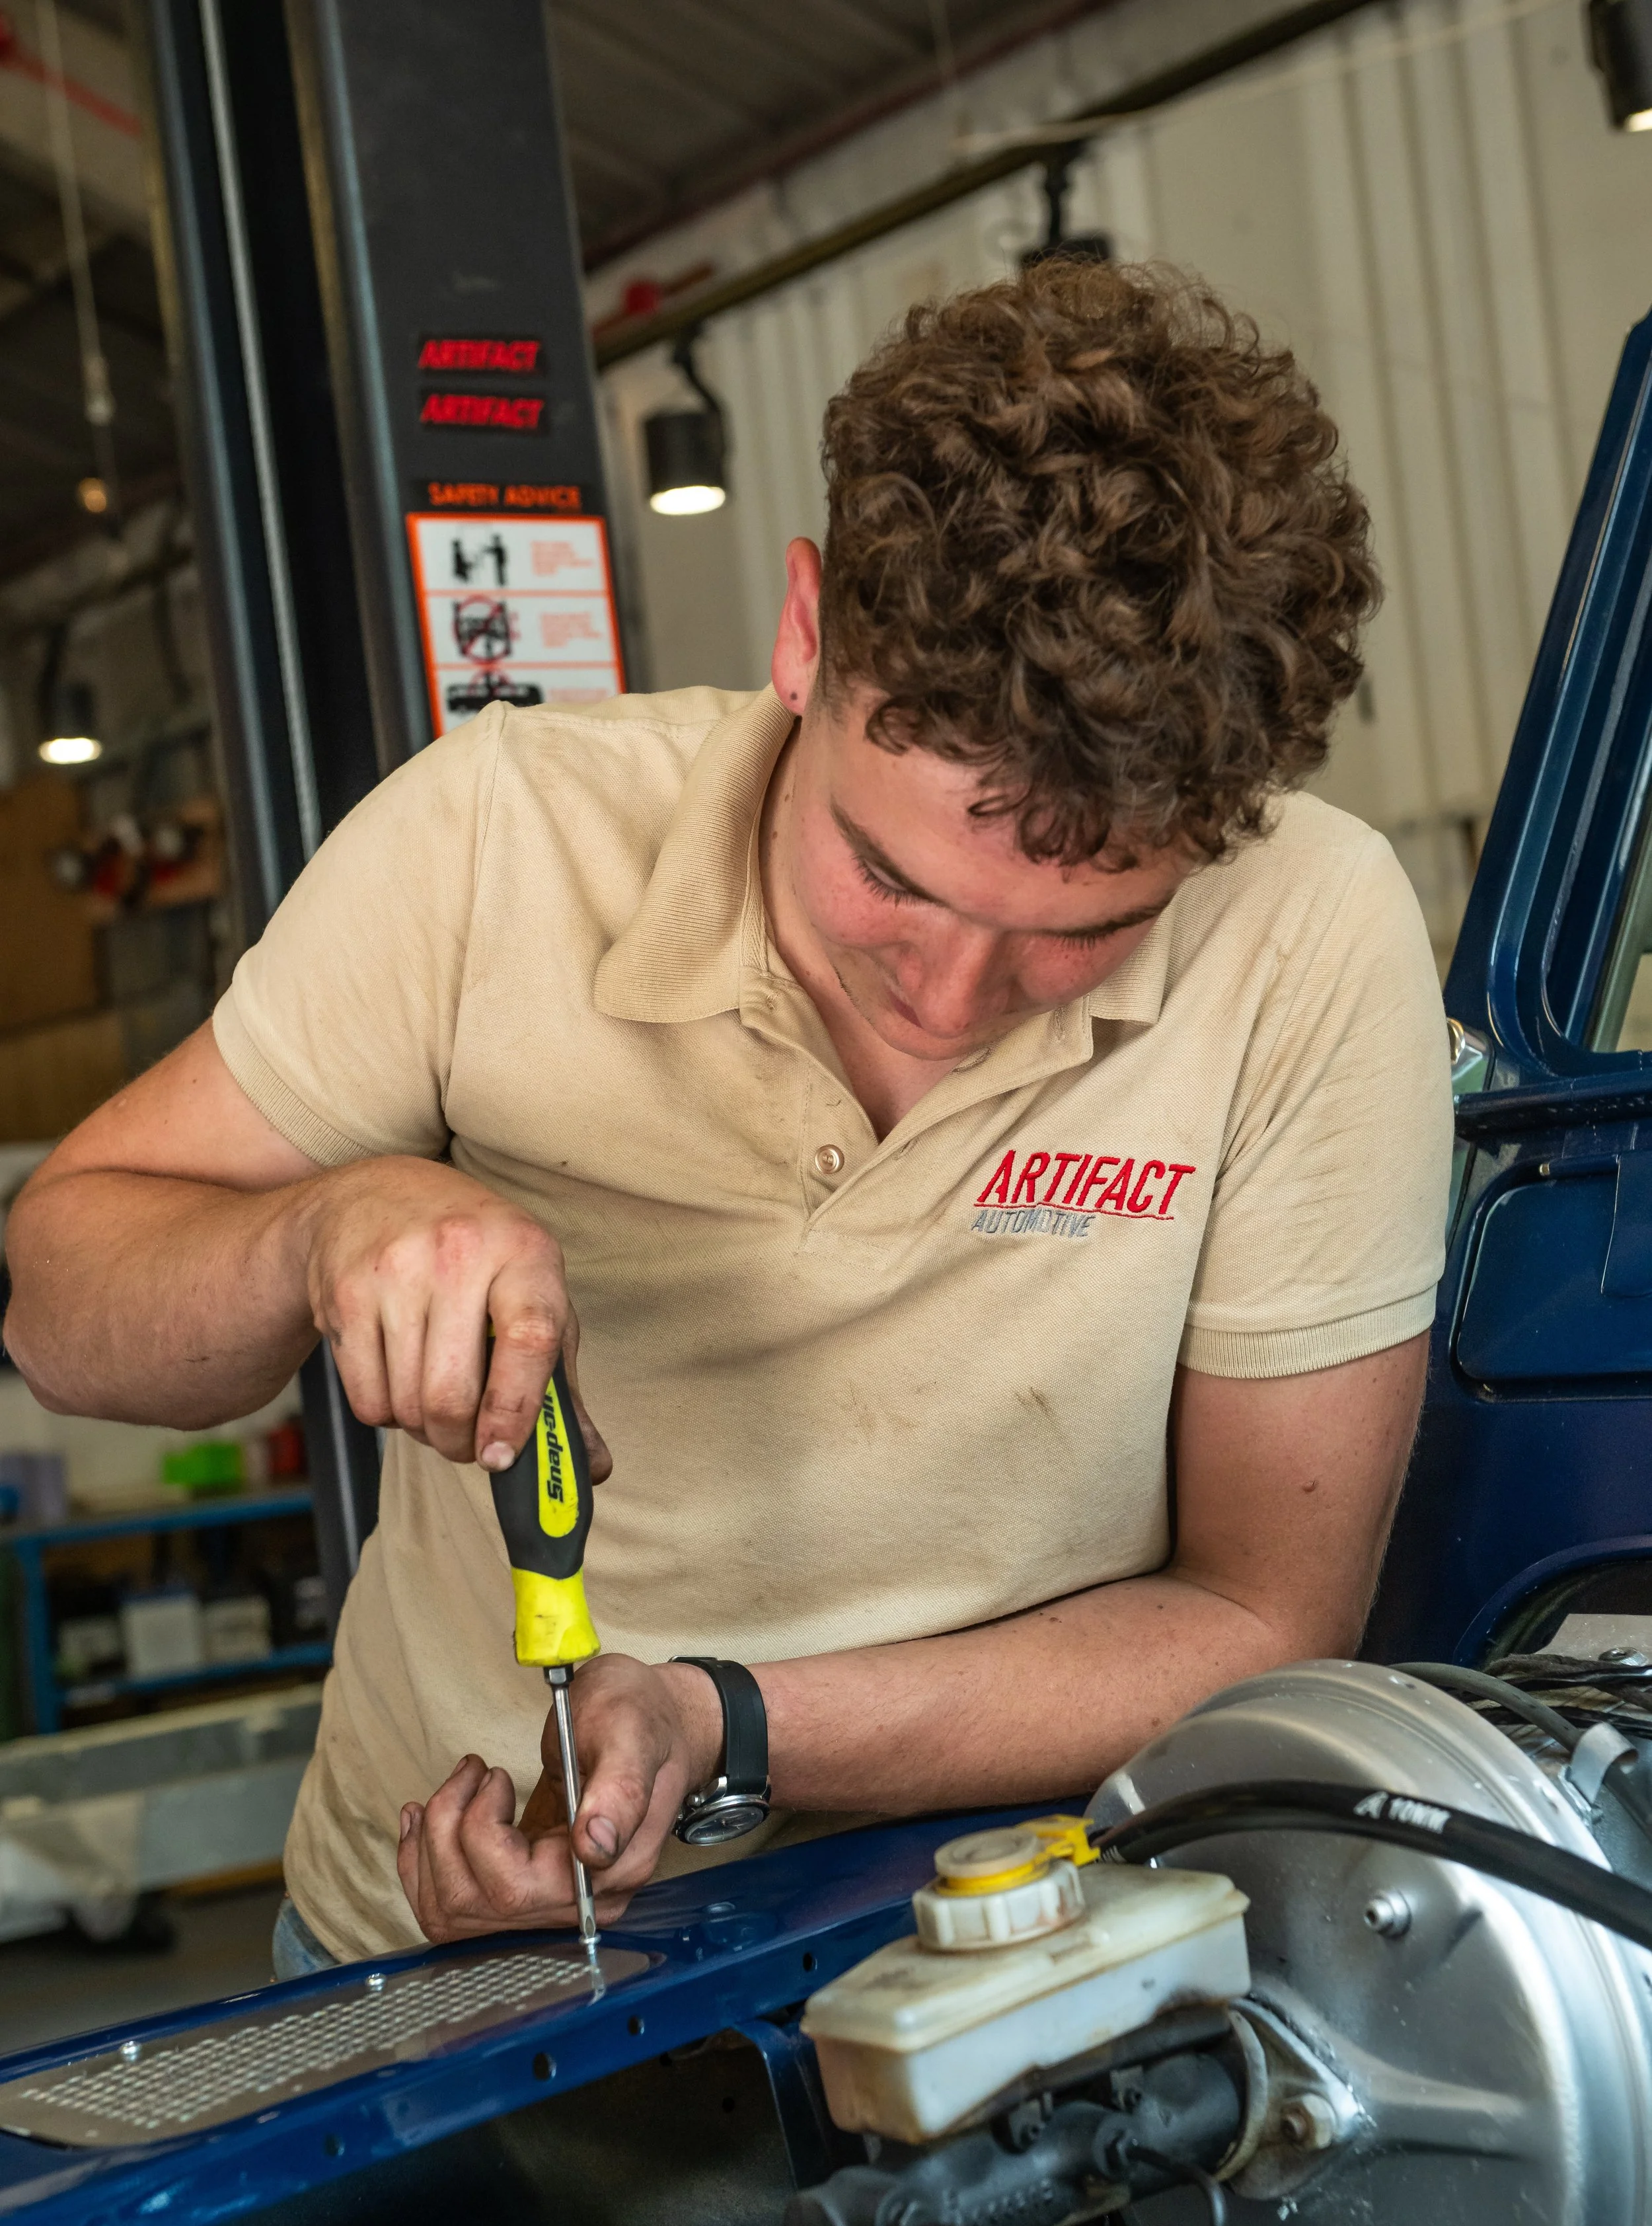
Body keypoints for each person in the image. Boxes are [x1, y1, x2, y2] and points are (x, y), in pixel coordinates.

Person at [3, 262, 1452, 1971]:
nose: (946, 992)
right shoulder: (498, 844)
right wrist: (320, 1227)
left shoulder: (1303, 926)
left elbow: (1260, 1612)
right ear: (801, 632)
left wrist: (725, 1723)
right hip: (442, 1955)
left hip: (1019, 1949)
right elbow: (66, 1313)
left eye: (1081, 930)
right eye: (886, 876)